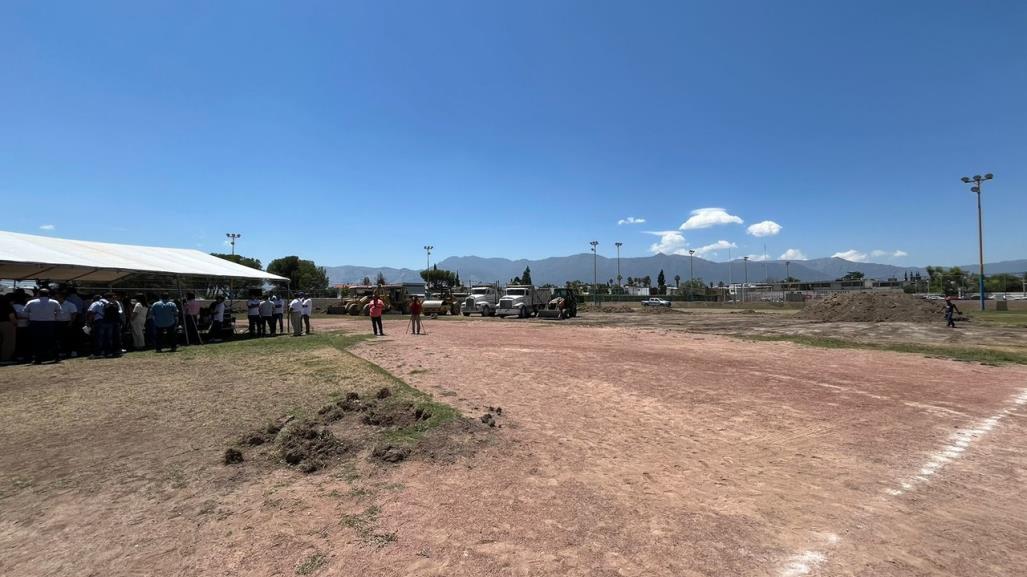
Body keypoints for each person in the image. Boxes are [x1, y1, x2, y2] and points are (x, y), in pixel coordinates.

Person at [24, 288, 62, 364]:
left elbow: (25, 312)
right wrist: (55, 318)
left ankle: (38, 359)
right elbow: (59, 312)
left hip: (35, 323)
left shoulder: (31, 302)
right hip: (50, 323)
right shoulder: (54, 302)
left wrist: (31, 317)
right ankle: (56, 357)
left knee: (37, 341)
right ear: (49, 294)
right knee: (52, 340)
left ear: (38, 294)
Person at [55, 291, 79, 358]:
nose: (56, 299)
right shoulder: (55, 305)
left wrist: (70, 323)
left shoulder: (70, 305)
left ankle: (73, 351)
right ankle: (62, 352)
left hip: (68, 322)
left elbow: (74, 314)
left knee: (70, 338)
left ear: (62, 297)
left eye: (57, 298)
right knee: (60, 338)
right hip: (58, 323)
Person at [86, 294, 110, 358]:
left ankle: (97, 353)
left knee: (98, 338)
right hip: (107, 321)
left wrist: (88, 322)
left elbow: (91, 312)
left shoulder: (95, 303)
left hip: (99, 321)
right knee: (106, 337)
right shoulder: (106, 303)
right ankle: (106, 352)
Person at [0, 294, 16, 365]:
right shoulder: (7, 306)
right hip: (6, 324)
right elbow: (11, 316)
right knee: (8, 342)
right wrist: (15, 323)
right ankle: (5, 358)